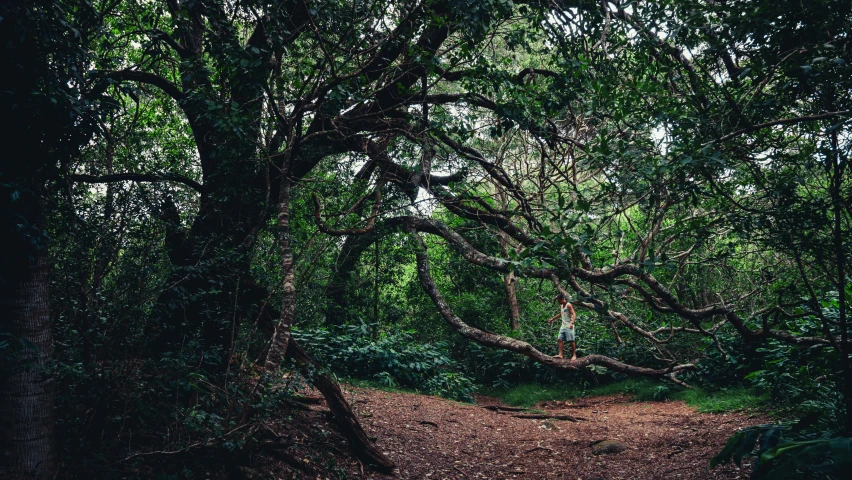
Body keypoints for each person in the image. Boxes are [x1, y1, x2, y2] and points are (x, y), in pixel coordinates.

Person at [547, 293, 576, 360]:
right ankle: (560, 354)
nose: (558, 302)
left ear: (562, 299)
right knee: (560, 339)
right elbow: (561, 313)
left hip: (569, 325)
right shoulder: (561, 306)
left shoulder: (568, 305)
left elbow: (574, 314)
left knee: (571, 340)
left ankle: (574, 354)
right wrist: (552, 319)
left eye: (559, 300)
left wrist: (572, 322)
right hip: (563, 325)